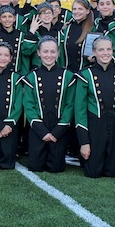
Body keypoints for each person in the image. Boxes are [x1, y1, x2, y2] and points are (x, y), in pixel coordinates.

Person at [75, 36, 115, 178]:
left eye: (109, 49)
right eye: (101, 49)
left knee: (112, 172)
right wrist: (84, 142)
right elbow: (80, 111)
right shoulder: (85, 74)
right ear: (94, 52)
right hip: (95, 126)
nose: (105, 53)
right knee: (92, 172)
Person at [22, 36, 76, 173]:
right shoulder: (31, 77)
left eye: (53, 52)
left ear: (58, 53)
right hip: (38, 128)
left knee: (56, 168)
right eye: (45, 52)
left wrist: (58, 131)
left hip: (59, 128)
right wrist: (42, 131)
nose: (49, 55)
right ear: (39, 53)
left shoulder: (68, 76)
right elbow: (29, 106)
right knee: (35, 167)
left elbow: (70, 105)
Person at [0, 5, 36, 75]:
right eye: (4, 17)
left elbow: (27, 53)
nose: (7, 19)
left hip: (18, 75)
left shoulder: (22, 35)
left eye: (10, 16)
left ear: (14, 18)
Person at [61, 0, 95, 72]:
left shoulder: (94, 28)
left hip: (86, 72)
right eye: (74, 9)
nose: (77, 12)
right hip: (68, 72)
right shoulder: (67, 28)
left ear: (88, 11)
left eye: (80, 9)